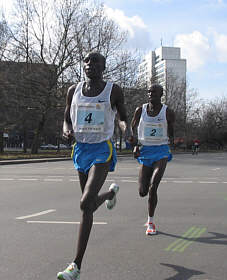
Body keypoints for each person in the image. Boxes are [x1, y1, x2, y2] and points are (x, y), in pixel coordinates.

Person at [57, 52, 129, 280]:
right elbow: (67, 117)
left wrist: (127, 130)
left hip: (102, 150)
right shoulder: (73, 90)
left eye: (95, 61)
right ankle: (109, 194)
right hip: (81, 150)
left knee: (85, 202)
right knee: (88, 208)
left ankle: (75, 266)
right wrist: (66, 130)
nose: (90, 65)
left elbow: (122, 118)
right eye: (87, 61)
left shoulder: (113, 90)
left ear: (103, 67)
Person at [130, 84, 175, 236]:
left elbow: (171, 131)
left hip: (161, 150)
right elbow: (132, 129)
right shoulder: (140, 110)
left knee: (153, 187)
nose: (151, 94)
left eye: (154, 92)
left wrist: (172, 142)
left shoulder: (167, 112)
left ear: (161, 94)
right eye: (149, 92)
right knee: (142, 191)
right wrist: (135, 145)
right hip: (145, 150)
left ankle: (150, 222)